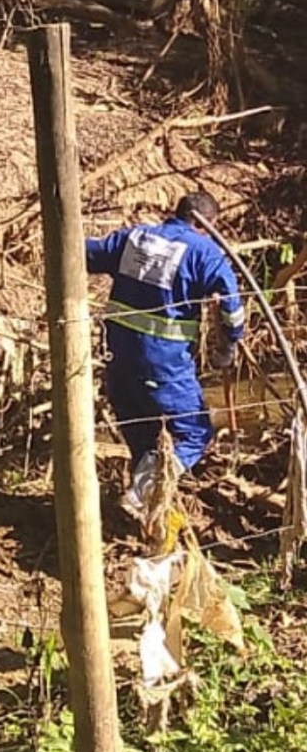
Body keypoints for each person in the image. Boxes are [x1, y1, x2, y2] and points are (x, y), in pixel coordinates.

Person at [85, 191, 244, 521]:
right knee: (195, 432)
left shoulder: (135, 237)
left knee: (144, 440)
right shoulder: (204, 251)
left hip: (117, 361)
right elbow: (232, 308)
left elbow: (83, 253)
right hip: (163, 364)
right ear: (206, 224)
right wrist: (228, 347)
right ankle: (139, 496)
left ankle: (144, 516)